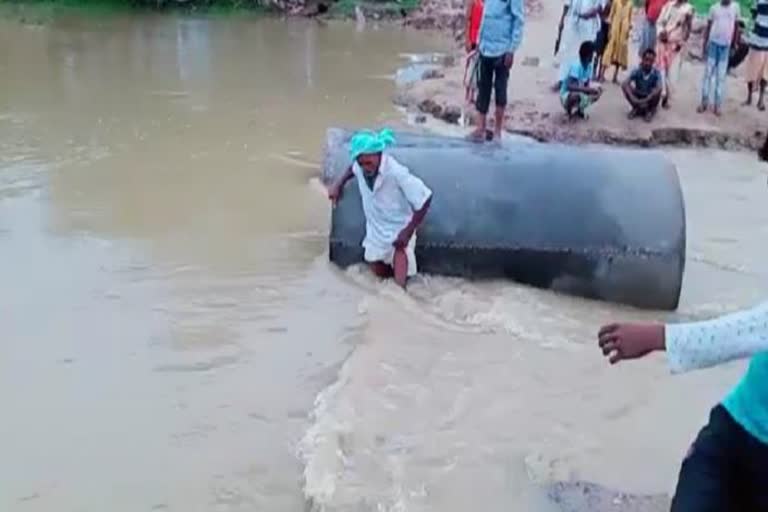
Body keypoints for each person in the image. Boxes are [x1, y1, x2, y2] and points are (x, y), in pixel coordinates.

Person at [597, 301, 768, 510]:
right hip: (733, 433)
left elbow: (750, 330)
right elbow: (752, 327)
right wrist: (660, 337)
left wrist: (659, 337)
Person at [326, 129, 432, 289]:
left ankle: (402, 295)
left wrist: (408, 232)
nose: (365, 168)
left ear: (379, 154)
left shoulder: (396, 172)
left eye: (368, 163)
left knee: (400, 269)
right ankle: (387, 291)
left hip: (399, 227)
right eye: (361, 163)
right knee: (376, 268)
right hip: (376, 228)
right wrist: (338, 185)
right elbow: (352, 169)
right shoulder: (360, 167)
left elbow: (425, 198)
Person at [467, 0, 525, 142]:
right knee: (483, 89)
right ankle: (481, 128)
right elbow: (485, 17)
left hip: (502, 50)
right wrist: (479, 43)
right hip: (485, 48)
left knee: (500, 90)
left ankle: (498, 131)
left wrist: (511, 50)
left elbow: (518, 21)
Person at [699, 0, 741, 116]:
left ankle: (717, 105)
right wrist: (704, 44)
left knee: (720, 76)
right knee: (708, 74)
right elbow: (708, 26)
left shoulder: (735, 7)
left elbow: (736, 27)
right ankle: (704, 102)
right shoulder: (714, 8)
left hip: (725, 47)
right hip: (713, 44)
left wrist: (734, 43)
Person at [554, 0, 605, 91]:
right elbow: (567, 3)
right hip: (573, 21)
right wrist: (562, 19)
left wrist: (592, 12)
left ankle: (583, 83)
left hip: (589, 24)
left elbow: (601, 6)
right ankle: (562, 80)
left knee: (587, 53)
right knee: (567, 51)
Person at [655, 0, 693, 108]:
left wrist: (681, 43)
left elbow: (688, 29)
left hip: (675, 44)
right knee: (661, 70)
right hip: (663, 41)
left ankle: (666, 97)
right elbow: (660, 21)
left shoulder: (688, 9)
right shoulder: (668, 5)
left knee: (671, 73)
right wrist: (661, 32)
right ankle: (662, 97)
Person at [561, 41, 603, 119]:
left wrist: (591, 89)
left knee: (598, 90)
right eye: (592, 54)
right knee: (575, 95)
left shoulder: (589, 67)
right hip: (566, 94)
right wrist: (588, 89)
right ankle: (568, 111)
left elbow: (586, 83)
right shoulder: (576, 66)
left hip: (579, 90)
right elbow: (569, 86)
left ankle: (580, 110)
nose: (594, 56)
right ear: (588, 55)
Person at [622, 48, 663, 120]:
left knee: (658, 90)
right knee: (624, 86)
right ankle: (637, 108)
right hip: (638, 95)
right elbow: (625, 82)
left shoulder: (656, 73)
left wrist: (647, 98)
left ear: (653, 62)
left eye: (651, 61)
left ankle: (648, 111)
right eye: (646, 60)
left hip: (649, 97)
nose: (648, 63)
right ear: (642, 59)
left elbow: (659, 87)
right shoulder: (637, 70)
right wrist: (633, 99)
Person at [599, 0, 633, 83]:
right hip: (615, 28)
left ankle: (615, 76)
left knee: (620, 52)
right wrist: (610, 30)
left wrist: (628, 32)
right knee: (609, 50)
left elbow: (630, 18)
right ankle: (602, 74)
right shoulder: (616, 2)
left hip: (624, 30)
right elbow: (611, 16)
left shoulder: (630, 4)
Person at [744, 0, 768, 110]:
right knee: (752, 70)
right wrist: (748, 32)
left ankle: (761, 100)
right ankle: (750, 97)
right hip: (756, 39)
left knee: (765, 73)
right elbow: (753, 16)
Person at [593, 0, 612, 80]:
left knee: (602, 53)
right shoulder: (606, 3)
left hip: (605, 28)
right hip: (603, 27)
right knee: (599, 52)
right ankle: (596, 73)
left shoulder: (612, 3)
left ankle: (598, 73)